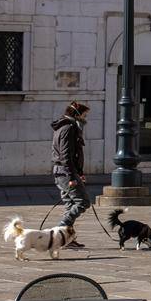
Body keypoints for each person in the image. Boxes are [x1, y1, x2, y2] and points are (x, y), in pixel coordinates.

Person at [51, 101, 91, 247]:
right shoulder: (69, 128)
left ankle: (67, 239)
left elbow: (73, 154)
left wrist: (79, 172)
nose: (86, 118)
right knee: (83, 202)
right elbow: (65, 155)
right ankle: (60, 229)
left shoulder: (66, 126)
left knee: (70, 204)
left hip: (63, 171)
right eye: (85, 115)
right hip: (65, 172)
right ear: (77, 114)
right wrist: (72, 176)